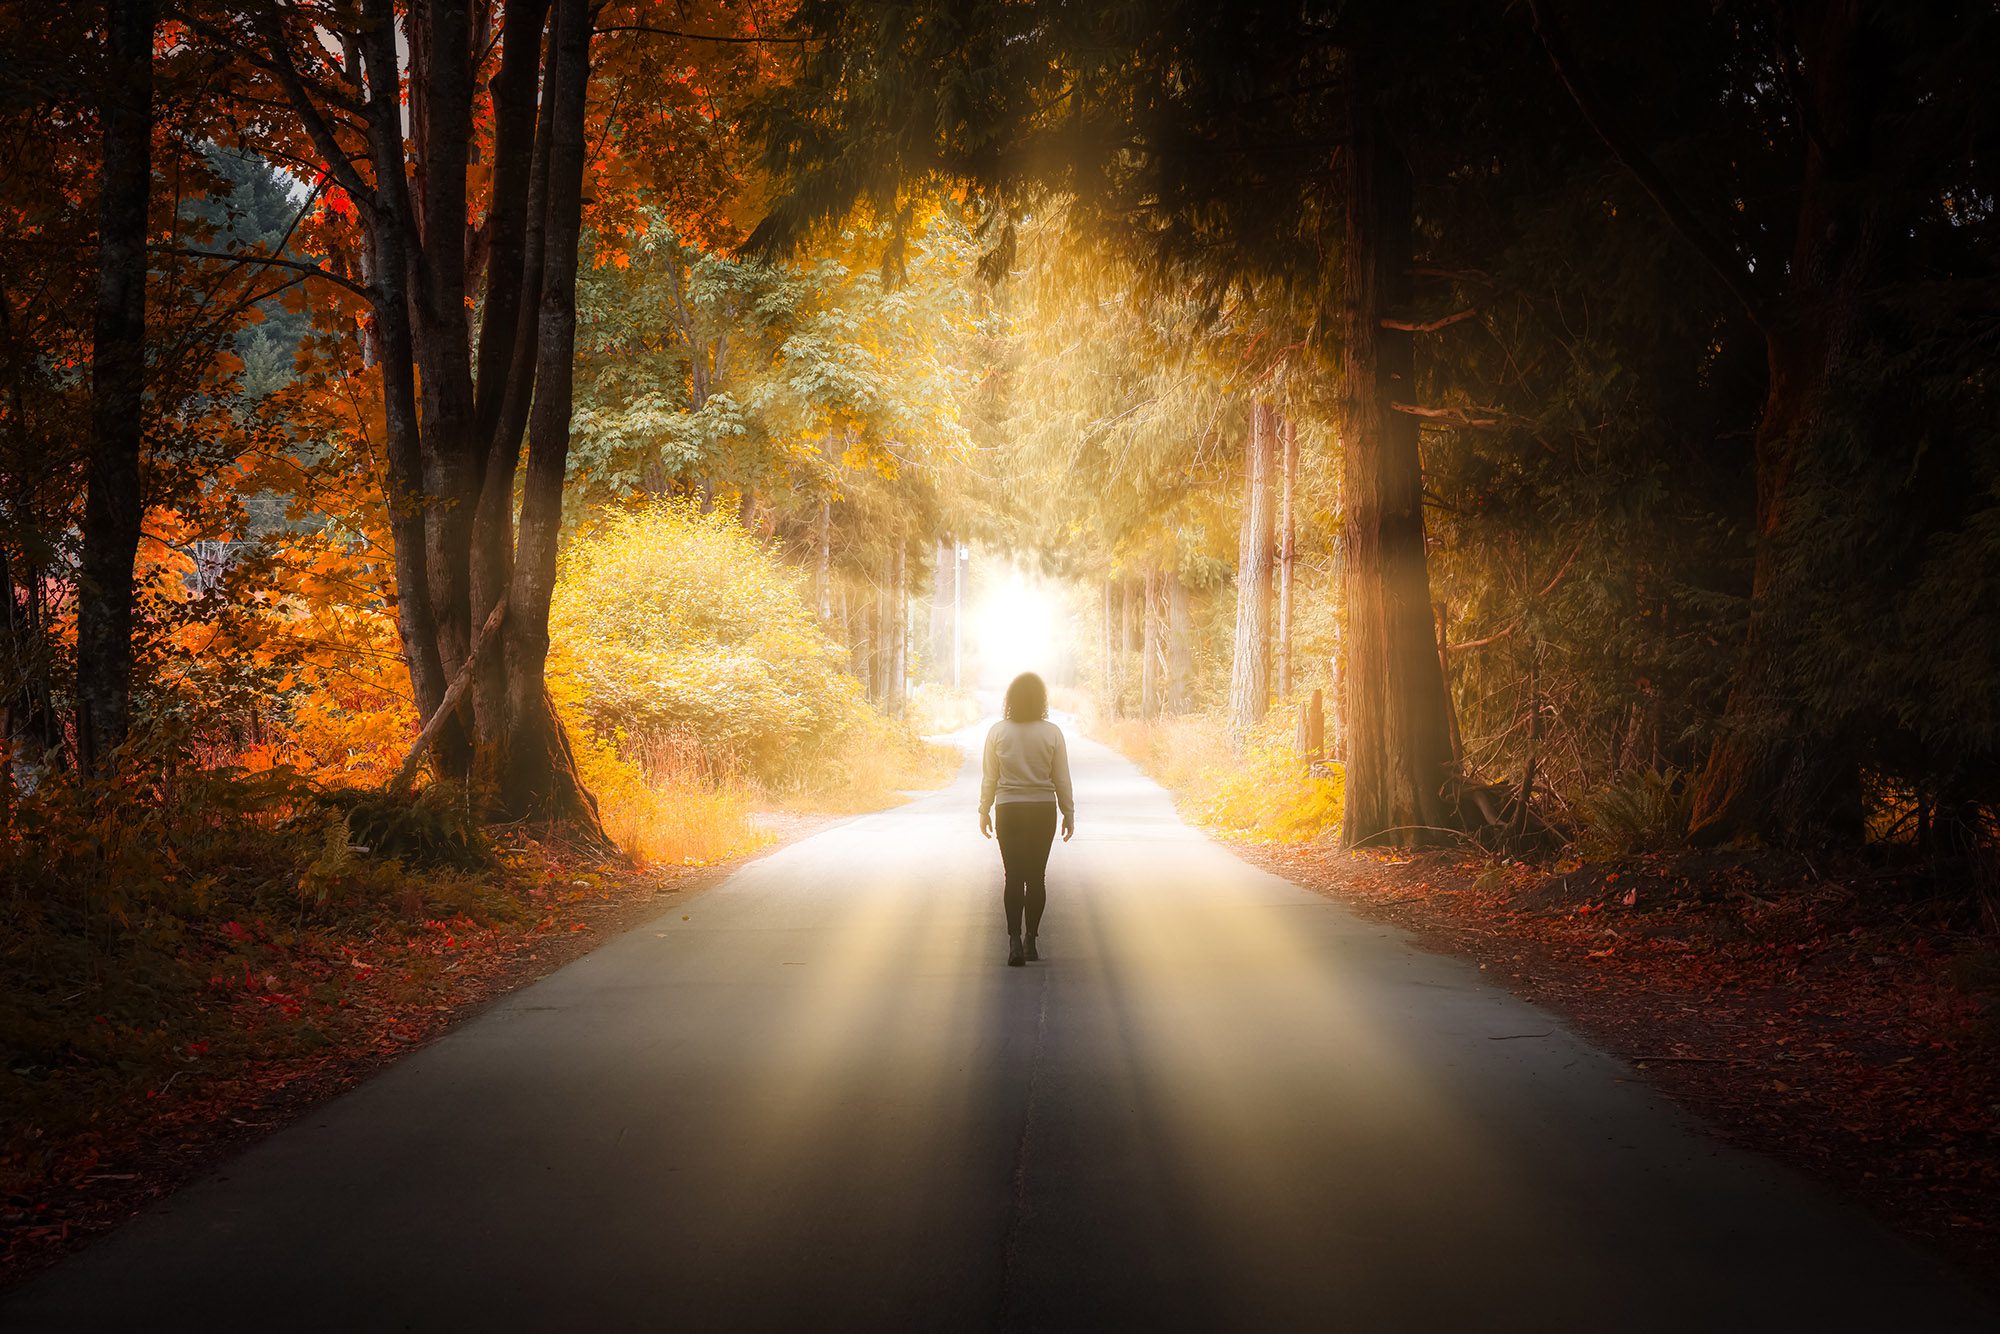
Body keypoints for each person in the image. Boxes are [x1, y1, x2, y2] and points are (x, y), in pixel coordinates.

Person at [979, 672, 1075, 967]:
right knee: (1036, 878)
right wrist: (1068, 811)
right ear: (1041, 700)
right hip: (1042, 810)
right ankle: (1031, 938)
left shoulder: (997, 732)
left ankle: (1013, 941)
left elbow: (990, 777)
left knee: (1013, 876)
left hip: (1008, 809)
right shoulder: (1052, 733)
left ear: (1010, 700)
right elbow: (1061, 777)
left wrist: (984, 809)